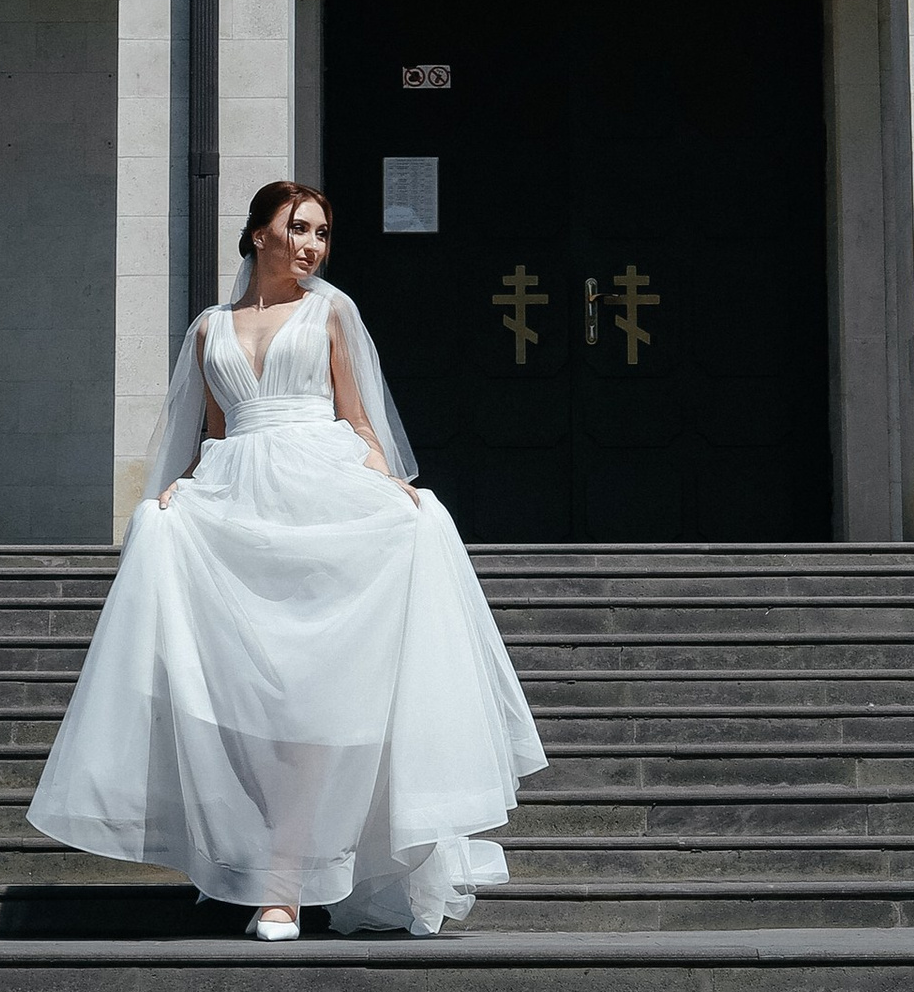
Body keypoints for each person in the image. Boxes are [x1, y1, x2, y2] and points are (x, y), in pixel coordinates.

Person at [27, 180, 546, 940]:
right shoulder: (209, 329)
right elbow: (212, 436)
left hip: (323, 496)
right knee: (253, 703)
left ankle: (284, 887)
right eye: (298, 228)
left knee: (316, 700)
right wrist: (179, 497)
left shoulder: (332, 311)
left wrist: (391, 488)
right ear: (258, 235)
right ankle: (265, 870)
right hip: (241, 505)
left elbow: (360, 420)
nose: (312, 245)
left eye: (322, 233)